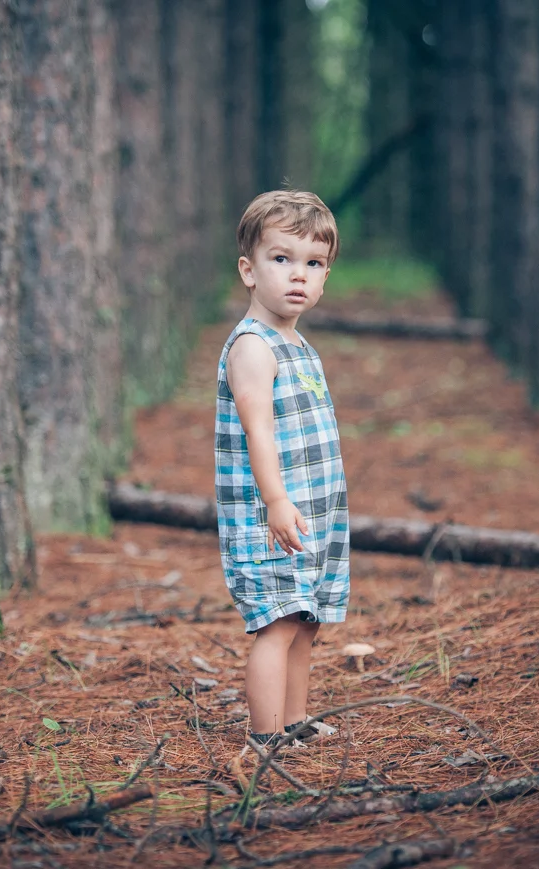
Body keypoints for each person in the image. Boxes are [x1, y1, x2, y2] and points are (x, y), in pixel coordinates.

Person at [215, 190, 349, 752]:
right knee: (276, 624)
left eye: (313, 264)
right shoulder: (253, 347)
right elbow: (259, 432)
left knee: (305, 620)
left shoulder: (298, 344)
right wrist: (274, 499)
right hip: (271, 514)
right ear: (248, 270)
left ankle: (295, 720)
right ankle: (265, 737)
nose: (299, 276)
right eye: (281, 259)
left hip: (311, 513)